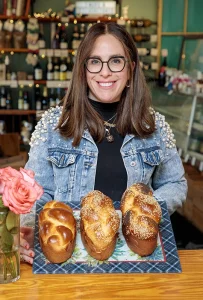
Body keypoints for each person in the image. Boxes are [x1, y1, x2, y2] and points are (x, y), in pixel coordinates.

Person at [20, 22, 187, 264]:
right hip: (67, 261)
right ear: (83, 70)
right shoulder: (52, 126)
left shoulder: (155, 126)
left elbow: (175, 183)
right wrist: (26, 227)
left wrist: (143, 211)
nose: (105, 72)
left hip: (135, 260)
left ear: (130, 68)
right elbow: (37, 192)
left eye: (116, 61)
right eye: (95, 61)